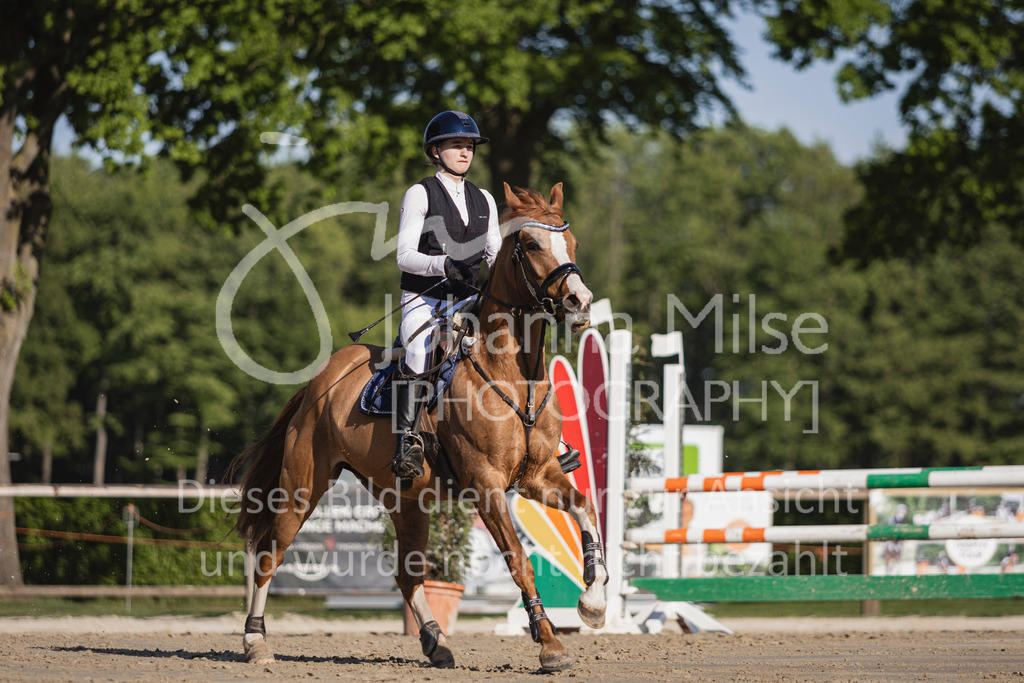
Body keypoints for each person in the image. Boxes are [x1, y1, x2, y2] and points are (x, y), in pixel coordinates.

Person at [390, 110, 501, 484]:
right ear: (436, 151)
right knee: (421, 348)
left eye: (469, 146)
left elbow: (495, 254)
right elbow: (403, 255)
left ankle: (546, 439)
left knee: (513, 348)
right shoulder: (420, 192)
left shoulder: (484, 198)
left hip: (468, 303)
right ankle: (406, 438)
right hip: (423, 299)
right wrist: (442, 265)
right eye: (457, 145)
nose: (465, 152)